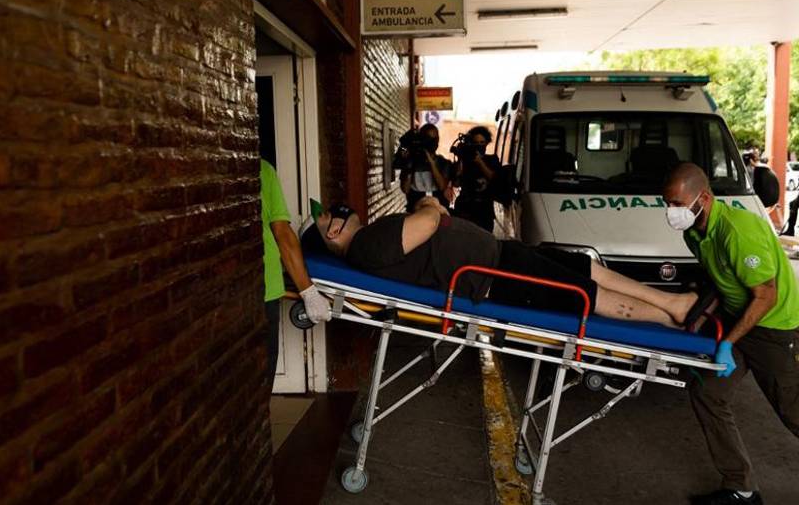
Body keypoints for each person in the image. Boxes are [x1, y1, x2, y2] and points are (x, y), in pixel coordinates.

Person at [302, 196, 710, 328]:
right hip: (495, 277)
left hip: (500, 257)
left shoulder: (369, 239)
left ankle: (671, 301)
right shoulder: (366, 245)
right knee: (583, 293)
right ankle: (669, 316)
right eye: (329, 216)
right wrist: (428, 201)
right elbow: (427, 222)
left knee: (584, 268)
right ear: (333, 234)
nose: (337, 211)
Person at [663, 162, 799, 505]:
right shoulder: (693, 232)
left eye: (678, 205)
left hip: (774, 328)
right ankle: (741, 489)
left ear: (703, 198)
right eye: (667, 203)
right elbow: (721, 281)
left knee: (793, 411)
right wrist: (699, 315)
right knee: (707, 392)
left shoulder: (738, 231)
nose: (671, 212)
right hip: (739, 322)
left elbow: (765, 296)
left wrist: (726, 343)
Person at [261, 159, 331, 387]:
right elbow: (282, 233)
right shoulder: (262, 170)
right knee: (261, 376)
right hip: (264, 285)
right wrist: (309, 293)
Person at [452, 125, 501, 232]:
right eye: (476, 143)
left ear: (487, 143)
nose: (479, 146)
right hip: (465, 210)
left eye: (482, 143)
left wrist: (480, 162)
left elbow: (494, 179)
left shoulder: (492, 159)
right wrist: (461, 159)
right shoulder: (465, 160)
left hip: (485, 210)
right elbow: (456, 183)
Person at [395, 123, 453, 212]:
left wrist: (431, 161)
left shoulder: (443, 163)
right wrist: (408, 161)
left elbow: (442, 186)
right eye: (428, 138)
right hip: (415, 210)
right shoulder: (412, 161)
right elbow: (405, 189)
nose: (433, 141)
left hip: (438, 210)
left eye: (435, 138)